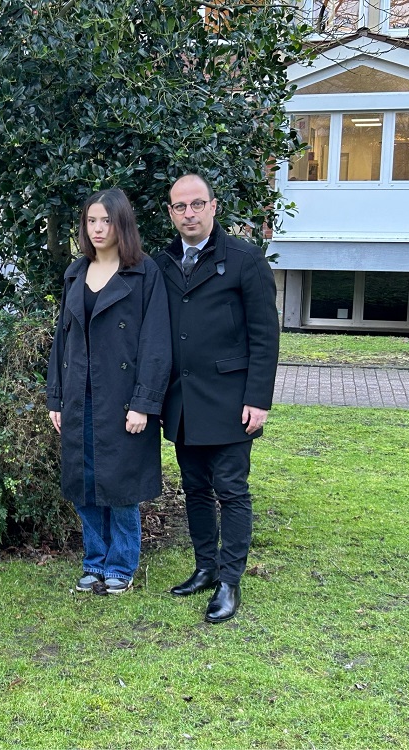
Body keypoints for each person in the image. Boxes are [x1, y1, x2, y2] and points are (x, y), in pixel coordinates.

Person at [154, 173, 279, 623]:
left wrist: (258, 399)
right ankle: (205, 567)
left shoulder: (245, 259)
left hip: (231, 400)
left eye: (196, 204)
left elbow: (265, 337)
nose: (189, 213)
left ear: (213, 207)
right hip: (183, 400)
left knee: (231, 489)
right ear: (171, 213)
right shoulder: (162, 262)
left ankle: (229, 581)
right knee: (195, 489)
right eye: (179, 207)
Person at [46, 188, 171, 595]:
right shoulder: (75, 272)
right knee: (85, 485)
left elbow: (156, 342)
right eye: (91, 221)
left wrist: (144, 403)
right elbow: (61, 342)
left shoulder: (144, 272)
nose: (98, 229)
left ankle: (121, 565)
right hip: (79, 397)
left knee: (121, 487)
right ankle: (94, 562)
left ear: (122, 224)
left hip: (122, 399)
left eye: (106, 221)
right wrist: (56, 398)